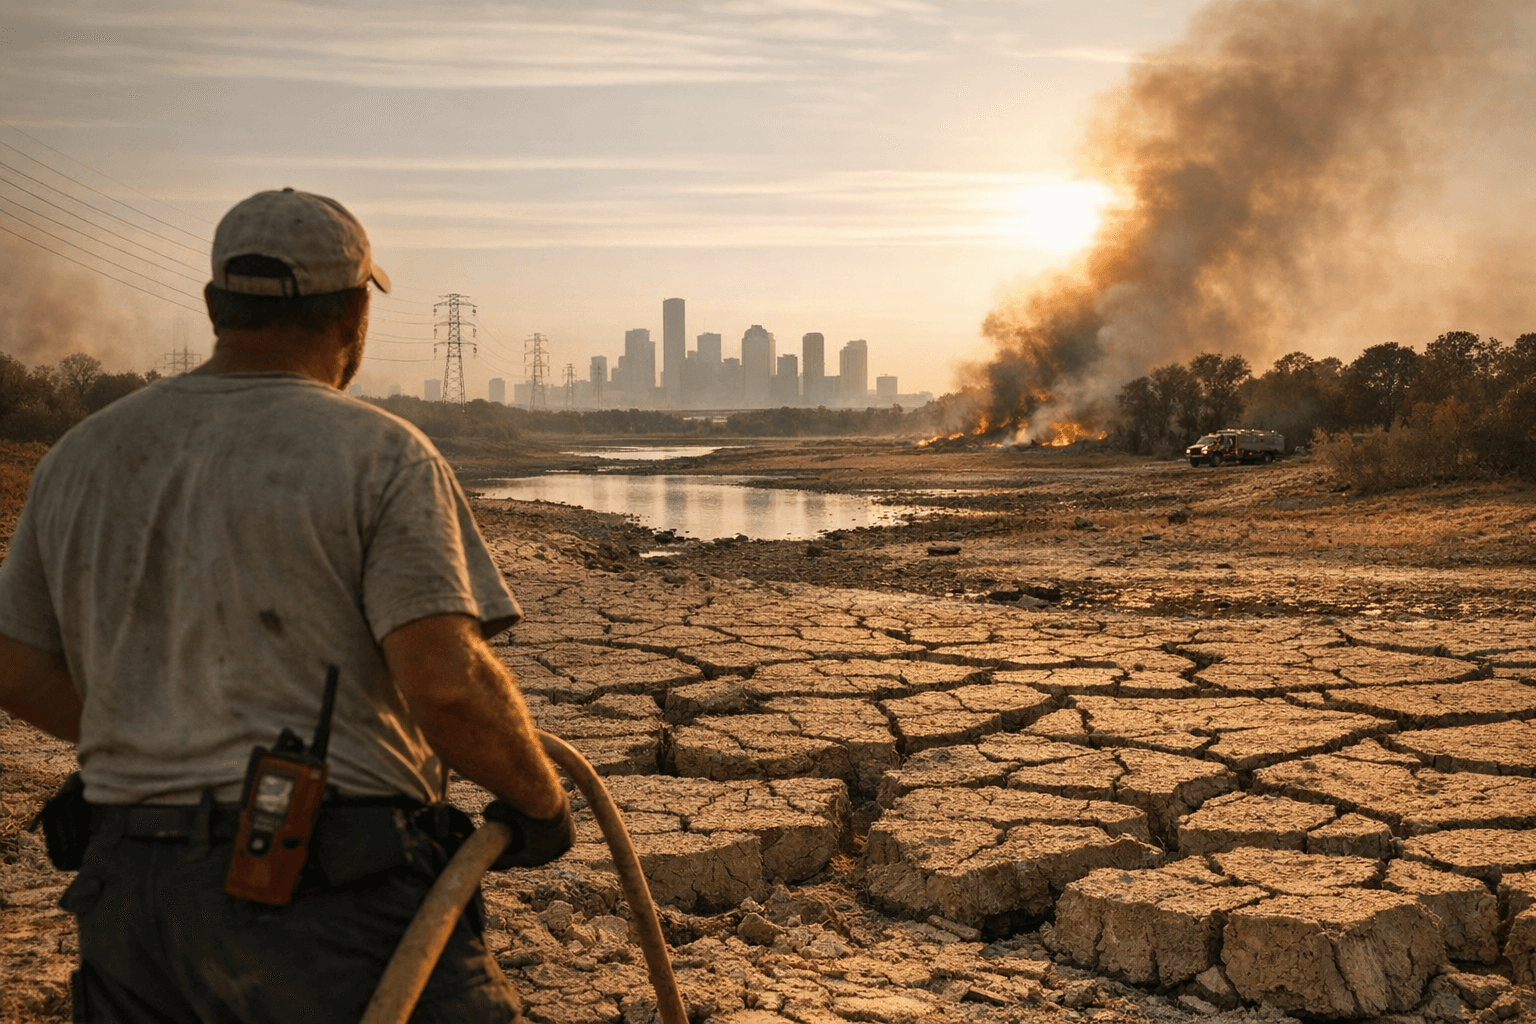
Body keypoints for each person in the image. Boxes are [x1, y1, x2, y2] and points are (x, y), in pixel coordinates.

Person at [0, 188, 572, 1023]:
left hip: (129, 892)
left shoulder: (80, 455)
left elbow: (13, 665)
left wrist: (162, 729)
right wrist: (540, 802)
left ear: (212, 307)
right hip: (314, 887)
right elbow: (445, 684)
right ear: (351, 315)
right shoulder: (380, 454)